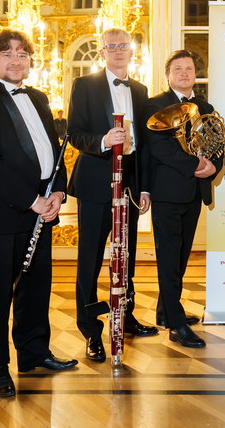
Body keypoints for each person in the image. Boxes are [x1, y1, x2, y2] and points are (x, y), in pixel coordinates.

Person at [0, 29, 78, 397]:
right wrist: (32, 200)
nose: (16, 60)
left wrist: (58, 191)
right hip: (3, 213)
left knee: (35, 288)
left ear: (30, 61)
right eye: (7, 54)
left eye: (22, 54)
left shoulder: (39, 98)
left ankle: (33, 353)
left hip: (42, 209)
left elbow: (54, 152)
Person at [67, 27, 157, 364]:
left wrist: (144, 187)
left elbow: (145, 145)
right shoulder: (84, 85)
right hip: (94, 183)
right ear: (102, 53)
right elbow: (74, 132)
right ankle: (91, 330)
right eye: (111, 46)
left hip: (130, 185)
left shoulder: (141, 90)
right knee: (90, 260)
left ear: (132, 51)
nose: (118, 51)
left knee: (127, 256)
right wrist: (104, 141)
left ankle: (126, 317)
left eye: (123, 45)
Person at [142, 50, 222, 348]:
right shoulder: (155, 105)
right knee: (168, 256)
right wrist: (196, 164)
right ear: (168, 74)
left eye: (189, 68)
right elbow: (159, 148)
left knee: (181, 255)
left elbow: (218, 141)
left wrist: (214, 166)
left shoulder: (205, 106)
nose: (184, 73)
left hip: (194, 190)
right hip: (167, 191)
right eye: (178, 69)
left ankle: (166, 311)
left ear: (195, 74)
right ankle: (176, 324)